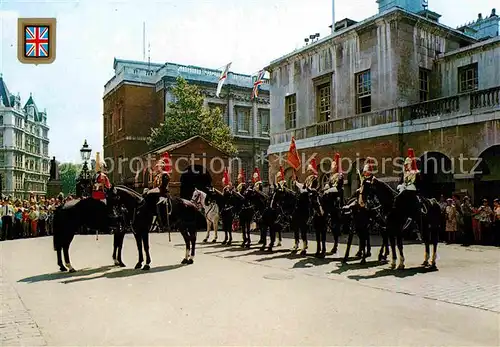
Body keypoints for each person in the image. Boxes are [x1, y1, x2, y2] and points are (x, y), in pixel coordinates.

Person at [395, 148, 421, 230]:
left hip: (412, 188)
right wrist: (400, 185)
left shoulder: (415, 172)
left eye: (407, 164)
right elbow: (401, 180)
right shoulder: (404, 173)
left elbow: (416, 182)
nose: (406, 166)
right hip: (404, 187)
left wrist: (408, 184)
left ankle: (411, 214)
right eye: (405, 164)